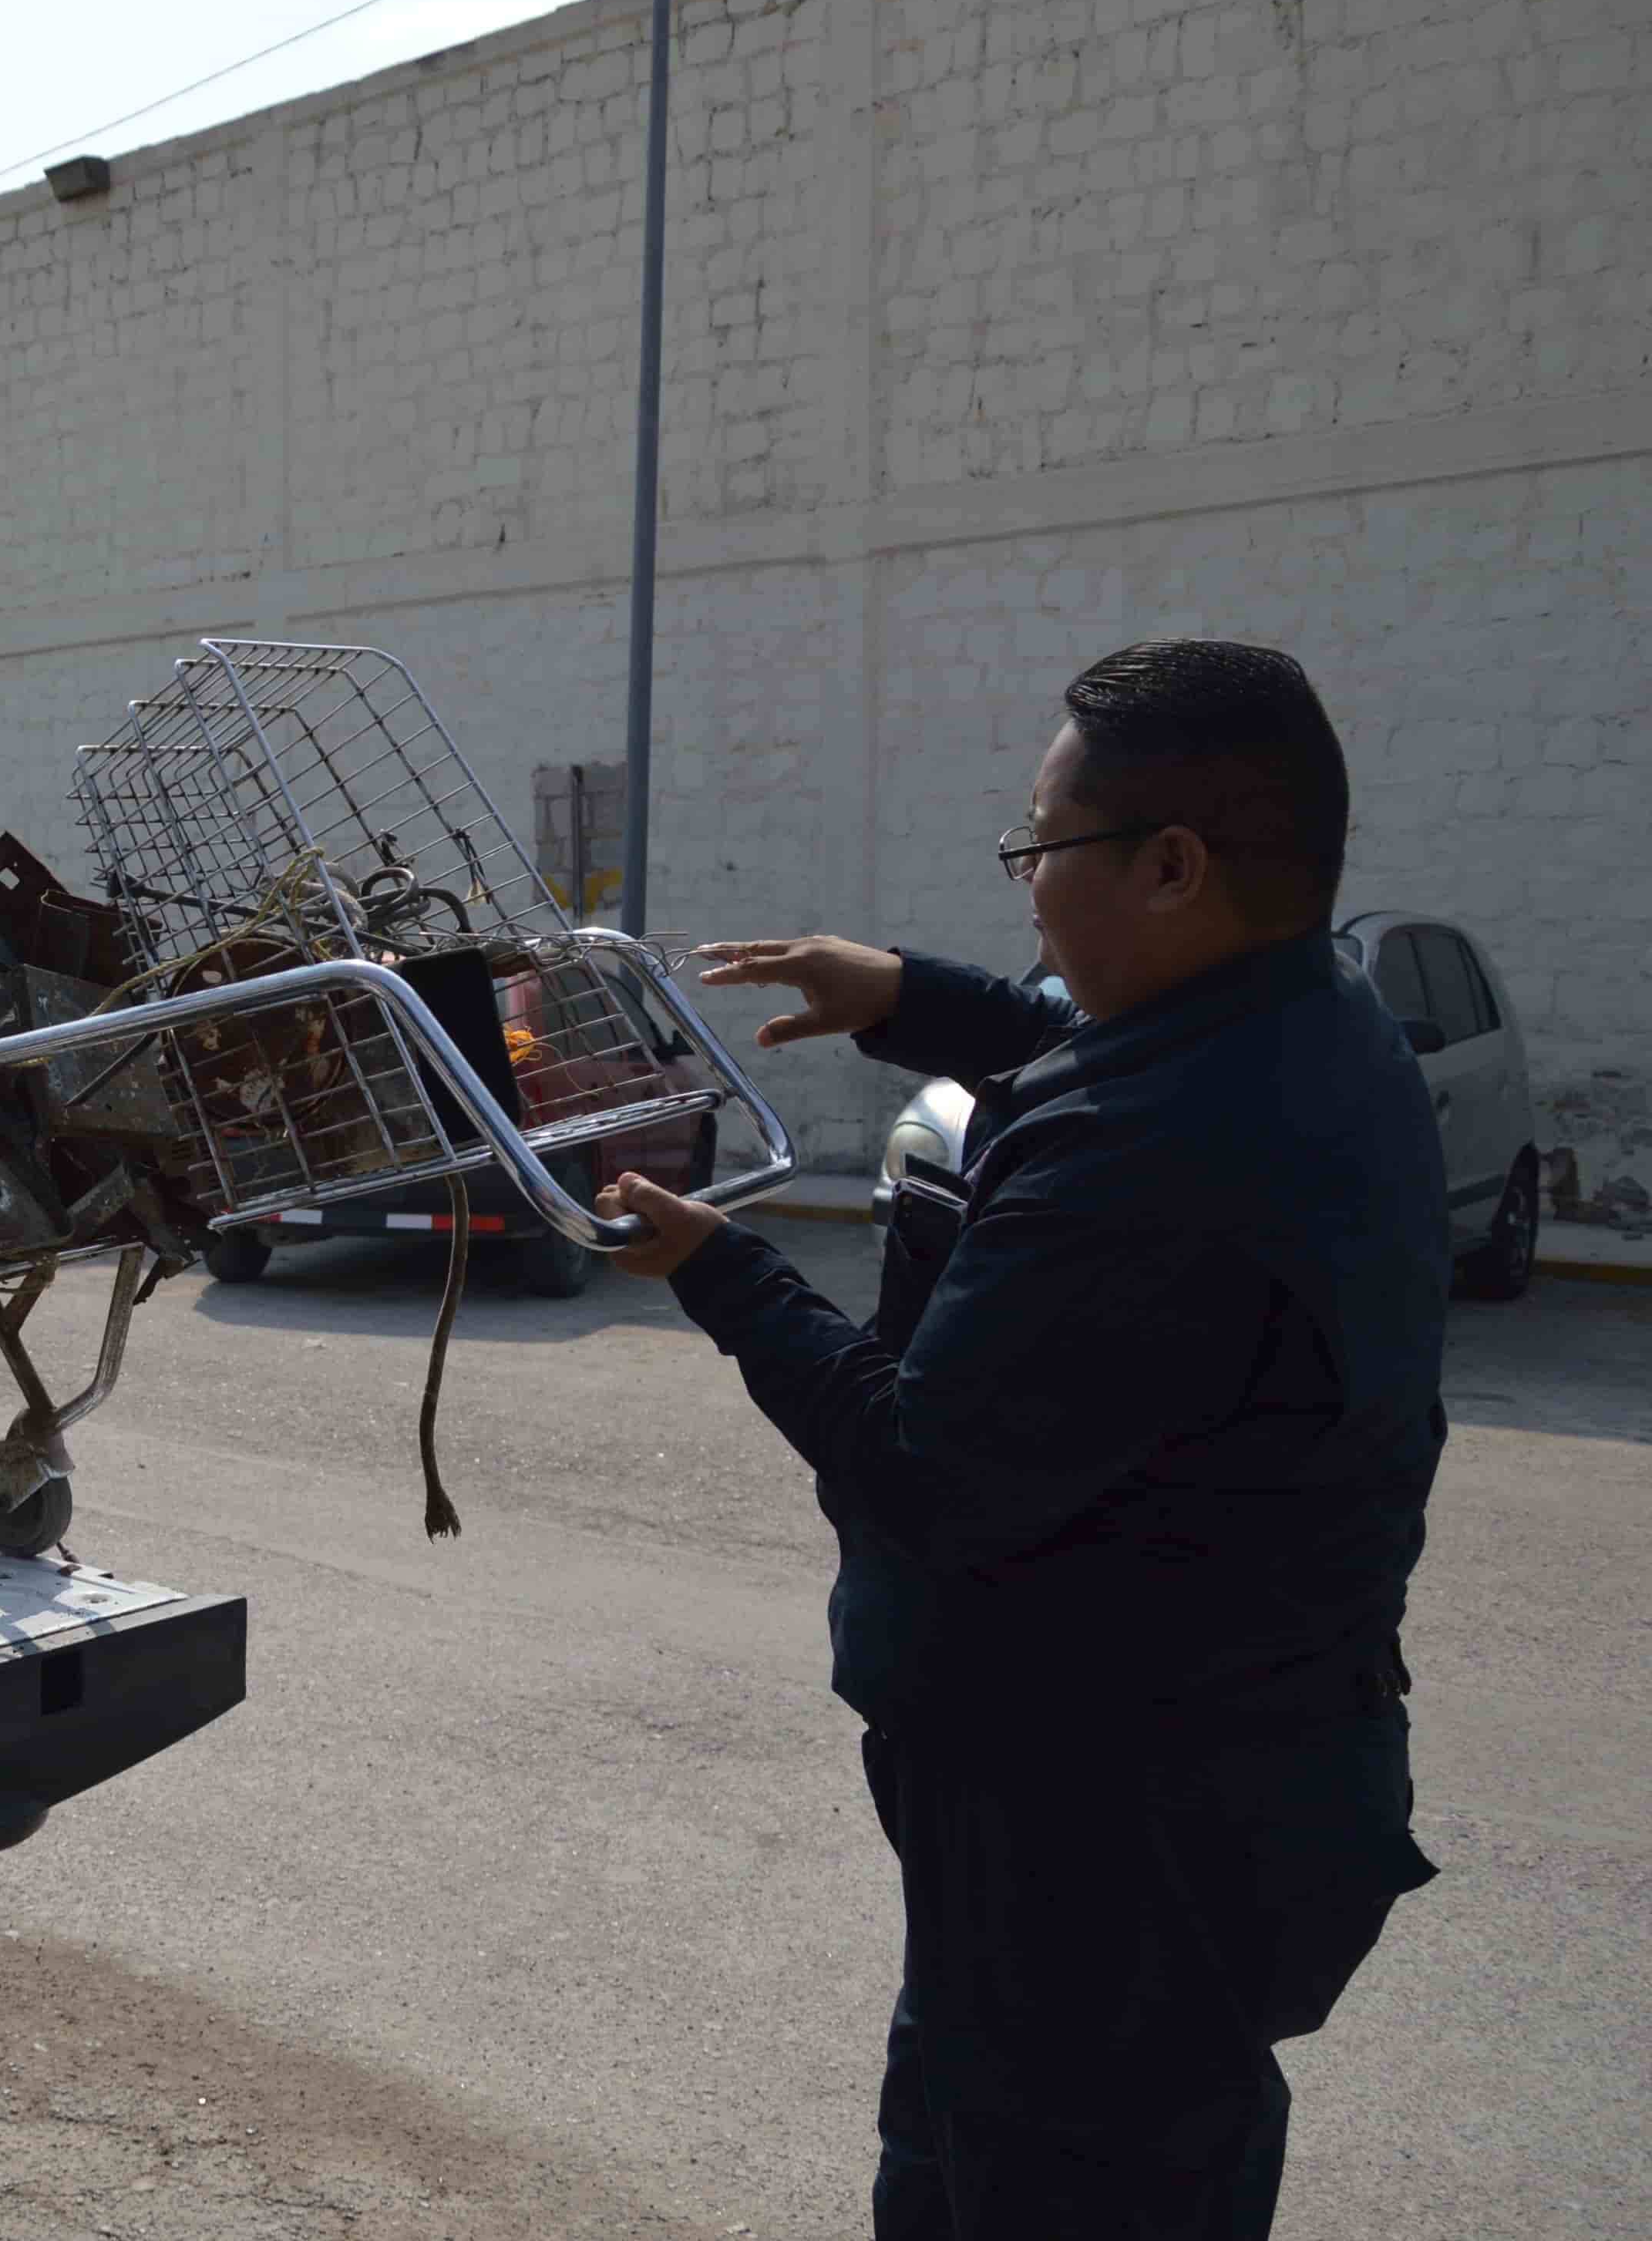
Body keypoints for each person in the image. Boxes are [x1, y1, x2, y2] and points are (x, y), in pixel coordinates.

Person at [594, 641, 1441, 2239]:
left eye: (1039, 848)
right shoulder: (1307, 1025)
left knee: (1035, 2183)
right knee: (1138, 2154)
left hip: (1109, 1846)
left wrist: (718, 1268)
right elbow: (1074, 1038)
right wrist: (909, 997)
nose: (1029, 889)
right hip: (1215, 1792)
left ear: (1174, 866)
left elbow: (916, 1460)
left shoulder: (1157, 1154)